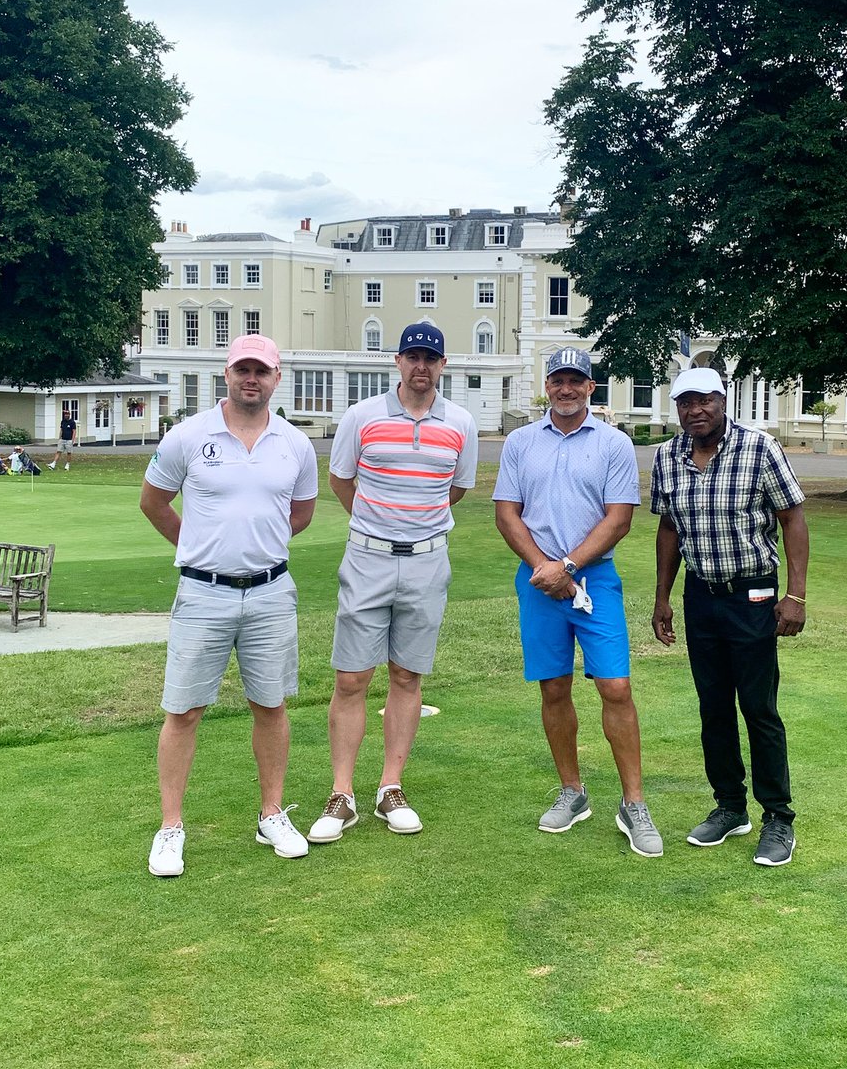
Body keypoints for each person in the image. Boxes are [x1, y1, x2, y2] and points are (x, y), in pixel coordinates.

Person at [139, 334, 318, 877]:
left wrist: (254, 547)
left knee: (271, 705)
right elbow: (154, 503)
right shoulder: (188, 436)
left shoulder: (295, 444)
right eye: (242, 369)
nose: (251, 379)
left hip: (270, 592)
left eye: (261, 371)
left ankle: (271, 814)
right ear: (227, 372)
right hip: (202, 592)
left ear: (275, 378)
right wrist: (200, 549)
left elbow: (302, 513)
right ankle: (170, 828)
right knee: (185, 711)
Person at [307, 322, 478, 844]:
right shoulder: (361, 417)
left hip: (428, 562)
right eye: (412, 357)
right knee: (351, 679)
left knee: (407, 677)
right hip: (367, 560)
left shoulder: (461, 424)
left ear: (442, 365)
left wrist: (416, 525)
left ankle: (390, 787)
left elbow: (457, 488)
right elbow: (341, 480)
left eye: (431, 358)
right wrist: (378, 525)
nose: (421, 366)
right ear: (397, 362)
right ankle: (342, 794)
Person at [494, 347, 663, 858]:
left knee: (615, 686)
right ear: (547, 386)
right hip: (538, 581)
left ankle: (633, 803)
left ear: (592, 387)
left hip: (595, 581)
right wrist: (546, 570)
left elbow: (619, 519)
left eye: (576, 381)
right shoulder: (521, 442)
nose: (566, 389)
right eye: (557, 380)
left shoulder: (613, 443)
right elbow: (507, 513)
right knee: (553, 687)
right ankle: (573, 792)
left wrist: (566, 567)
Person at [650, 366, 809, 868]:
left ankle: (778, 819)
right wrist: (662, 598)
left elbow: (792, 520)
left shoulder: (759, 448)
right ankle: (729, 807)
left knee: (758, 707)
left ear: (723, 401)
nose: (695, 411)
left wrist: (796, 596)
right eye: (685, 403)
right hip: (702, 596)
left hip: (755, 594)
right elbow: (669, 528)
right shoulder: (668, 456)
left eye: (704, 401)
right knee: (713, 706)